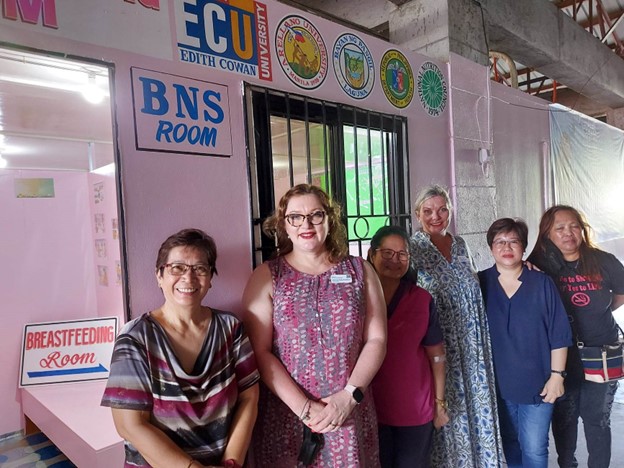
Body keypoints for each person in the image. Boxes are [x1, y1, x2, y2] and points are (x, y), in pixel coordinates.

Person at [243, 183, 386, 466]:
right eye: (295, 217)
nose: (306, 224)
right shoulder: (267, 276)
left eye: (316, 215)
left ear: (329, 220)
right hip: (288, 418)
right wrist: (305, 409)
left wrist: (348, 397)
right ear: (283, 225)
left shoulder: (360, 271)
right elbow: (259, 353)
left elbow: (377, 341)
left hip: (349, 413)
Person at [102, 229, 260, 468]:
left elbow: (249, 397)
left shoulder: (231, 328)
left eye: (200, 269)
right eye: (177, 267)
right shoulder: (135, 339)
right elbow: (129, 425)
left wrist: (232, 463)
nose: (189, 277)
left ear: (210, 278)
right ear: (159, 276)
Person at [409, 184, 503, 467]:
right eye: (428, 211)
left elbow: (478, 282)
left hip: (474, 349)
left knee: (478, 411)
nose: (436, 216)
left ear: (450, 211)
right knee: (448, 415)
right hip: (439, 350)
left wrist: (522, 266)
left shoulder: (460, 244)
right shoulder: (412, 249)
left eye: (442, 209)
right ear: (417, 214)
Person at [528, 205, 624, 468]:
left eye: (574, 226)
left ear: (582, 229)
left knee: (597, 419)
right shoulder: (538, 266)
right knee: (564, 420)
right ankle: (567, 464)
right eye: (560, 228)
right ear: (547, 233)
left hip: (600, 352)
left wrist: (597, 313)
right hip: (562, 357)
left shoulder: (603, 261)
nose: (568, 233)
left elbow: (620, 294)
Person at [479, 218, 572, 468]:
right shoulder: (480, 283)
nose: (506, 247)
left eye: (513, 241)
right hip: (497, 384)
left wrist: (557, 376)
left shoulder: (542, 283)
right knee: (508, 442)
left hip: (538, 383)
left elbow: (559, 333)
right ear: (491, 248)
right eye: (499, 241)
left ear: (523, 247)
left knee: (534, 448)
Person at [368, 225, 449, 468]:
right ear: (372, 255)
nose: (395, 260)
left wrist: (440, 404)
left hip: (414, 410)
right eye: (387, 253)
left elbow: (436, 355)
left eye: (402, 254)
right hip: (370, 408)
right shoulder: (357, 298)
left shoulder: (421, 299)